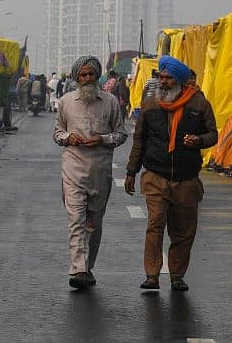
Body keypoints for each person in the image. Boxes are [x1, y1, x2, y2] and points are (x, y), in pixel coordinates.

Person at [125, 55, 217, 291]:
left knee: (183, 230)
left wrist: (198, 140)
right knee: (155, 224)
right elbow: (140, 139)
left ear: (181, 81)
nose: (163, 82)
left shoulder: (199, 103)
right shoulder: (151, 104)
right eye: (161, 77)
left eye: (168, 78)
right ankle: (152, 275)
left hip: (186, 178)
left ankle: (176, 274)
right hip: (156, 175)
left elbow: (213, 135)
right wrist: (131, 171)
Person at [54, 56, 128, 289]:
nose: (87, 78)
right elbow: (57, 133)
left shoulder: (111, 102)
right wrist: (68, 137)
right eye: (83, 75)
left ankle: (88, 266)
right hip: (72, 169)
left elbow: (121, 134)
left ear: (98, 76)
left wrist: (102, 139)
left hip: (100, 171)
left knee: (94, 223)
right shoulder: (65, 102)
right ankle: (78, 269)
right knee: (76, 219)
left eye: (91, 74)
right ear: (77, 78)